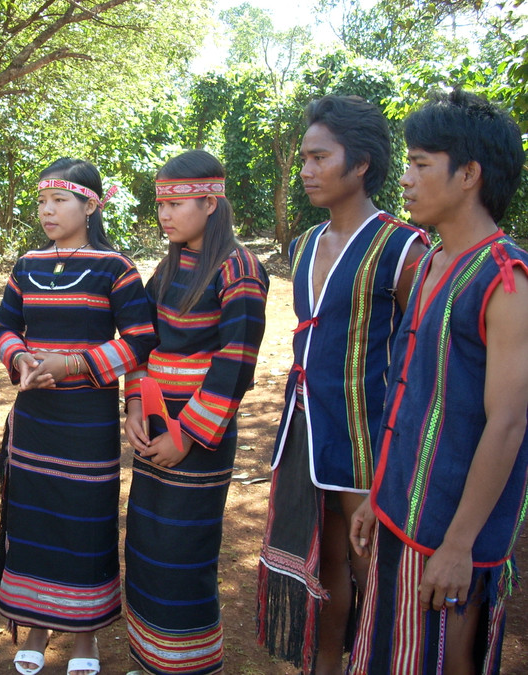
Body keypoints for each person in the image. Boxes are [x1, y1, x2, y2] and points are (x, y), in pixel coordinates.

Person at [348, 90, 528, 674]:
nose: (405, 179)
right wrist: (378, 494)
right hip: (400, 509)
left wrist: (459, 546)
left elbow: (508, 423)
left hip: (452, 537)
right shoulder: (428, 261)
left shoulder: (507, 282)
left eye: (421, 164)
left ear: (469, 174)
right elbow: (407, 395)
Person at [255, 95, 427, 674]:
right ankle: (326, 664)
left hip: (371, 434)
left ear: (361, 164)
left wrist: (402, 447)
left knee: (374, 567)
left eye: (318, 157)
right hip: (307, 428)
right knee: (325, 562)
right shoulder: (303, 246)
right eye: (303, 158)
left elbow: (418, 360)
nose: (305, 171)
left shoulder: (404, 248)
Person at [0, 158, 156, 675]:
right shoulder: (27, 265)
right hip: (35, 416)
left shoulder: (116, 268)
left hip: (88, 420)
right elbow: (2, 325)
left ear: (90, 205)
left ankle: (85, 638)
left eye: (58, 201)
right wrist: (20, 359)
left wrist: (74, 363)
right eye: (42, 201)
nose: (47, 210)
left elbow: (139, 340)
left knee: (85, 521)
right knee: (35, 516)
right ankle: (38, 627)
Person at [123, 149, 269, 675]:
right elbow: (141, 339)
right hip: (156, 429)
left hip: (198, 441)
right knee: (145, 543)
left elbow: (235, 366)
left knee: (183, 551)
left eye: (176, 202)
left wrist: (185, 437)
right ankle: (148, 658)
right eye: (160, 202)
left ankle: (188, 664)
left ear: (210, 201)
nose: (164, 214)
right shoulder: (168, 266)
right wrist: (136, 404)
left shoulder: (240, 269)